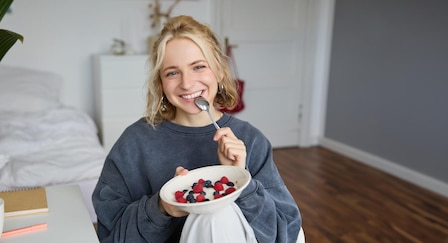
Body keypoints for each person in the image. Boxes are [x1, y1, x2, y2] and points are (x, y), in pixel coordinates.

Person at [92, 15, 302, 242]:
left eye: (199, 67)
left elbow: (286, 233)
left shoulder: (250, 141)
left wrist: (240, 181)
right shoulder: (134, 143)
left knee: (216, 214)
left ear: (220, 71)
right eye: (172, 72)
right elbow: (111, 236)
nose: (187, 83)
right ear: (160, 83)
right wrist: (162, 207)